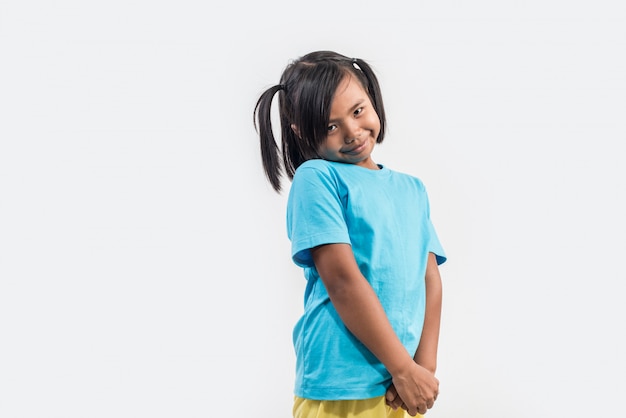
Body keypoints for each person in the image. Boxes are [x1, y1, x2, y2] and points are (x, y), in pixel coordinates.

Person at [253, 50, 447, 418]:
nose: (352, 132)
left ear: (371, 98)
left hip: (399, 388)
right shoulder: (318, 178)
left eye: (357, 111)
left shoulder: (413, 189)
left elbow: (430, 278)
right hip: (341, 385)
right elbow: (341, 280)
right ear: (301, 131)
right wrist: (404, 368)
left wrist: (424, 368)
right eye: (330, 126)